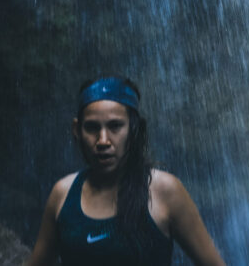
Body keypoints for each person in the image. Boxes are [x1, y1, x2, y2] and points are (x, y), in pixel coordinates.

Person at [26, 76, 227, 266]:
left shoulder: (165, 191)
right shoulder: (63, 194)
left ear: (134, 129)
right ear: (76, 130)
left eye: (115, 126)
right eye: (92, 127)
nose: (103, 140)